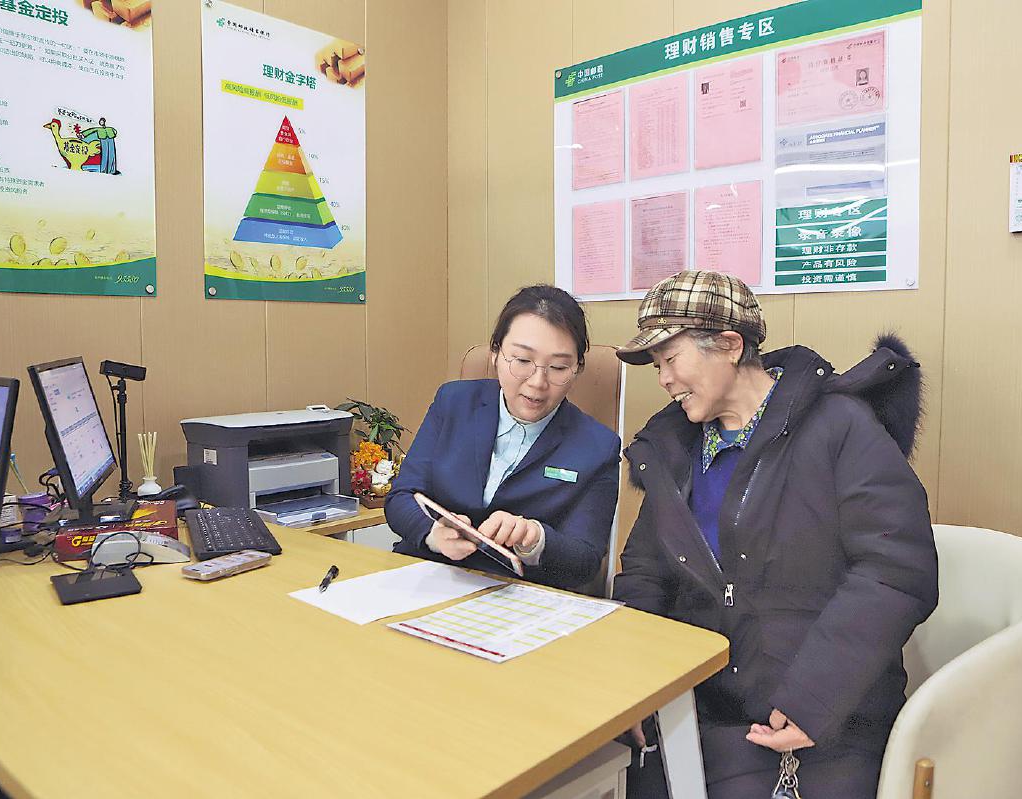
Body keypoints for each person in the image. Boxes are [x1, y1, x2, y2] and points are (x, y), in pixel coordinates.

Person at [612, 271, 938, 798]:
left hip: (823, 719)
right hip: (699, 710)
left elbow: (896, 570)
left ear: (730, 345)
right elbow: (645, 573)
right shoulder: (674, 449)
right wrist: (633, 685)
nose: (664, 380)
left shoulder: (840, 427)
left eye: (670, 359)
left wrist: (815, 697)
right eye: (657, 366)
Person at [386, 285, 621, 590]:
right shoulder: (454, 402)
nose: (537, 383)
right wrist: (433, 534)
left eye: (558, 367)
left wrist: (536, 539)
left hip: (516, 596)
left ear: (577, 369)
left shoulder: (598, 447)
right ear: (496, 353)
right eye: (522, 361)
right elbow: (401, 497)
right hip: (429, 576)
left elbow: (585, 560)